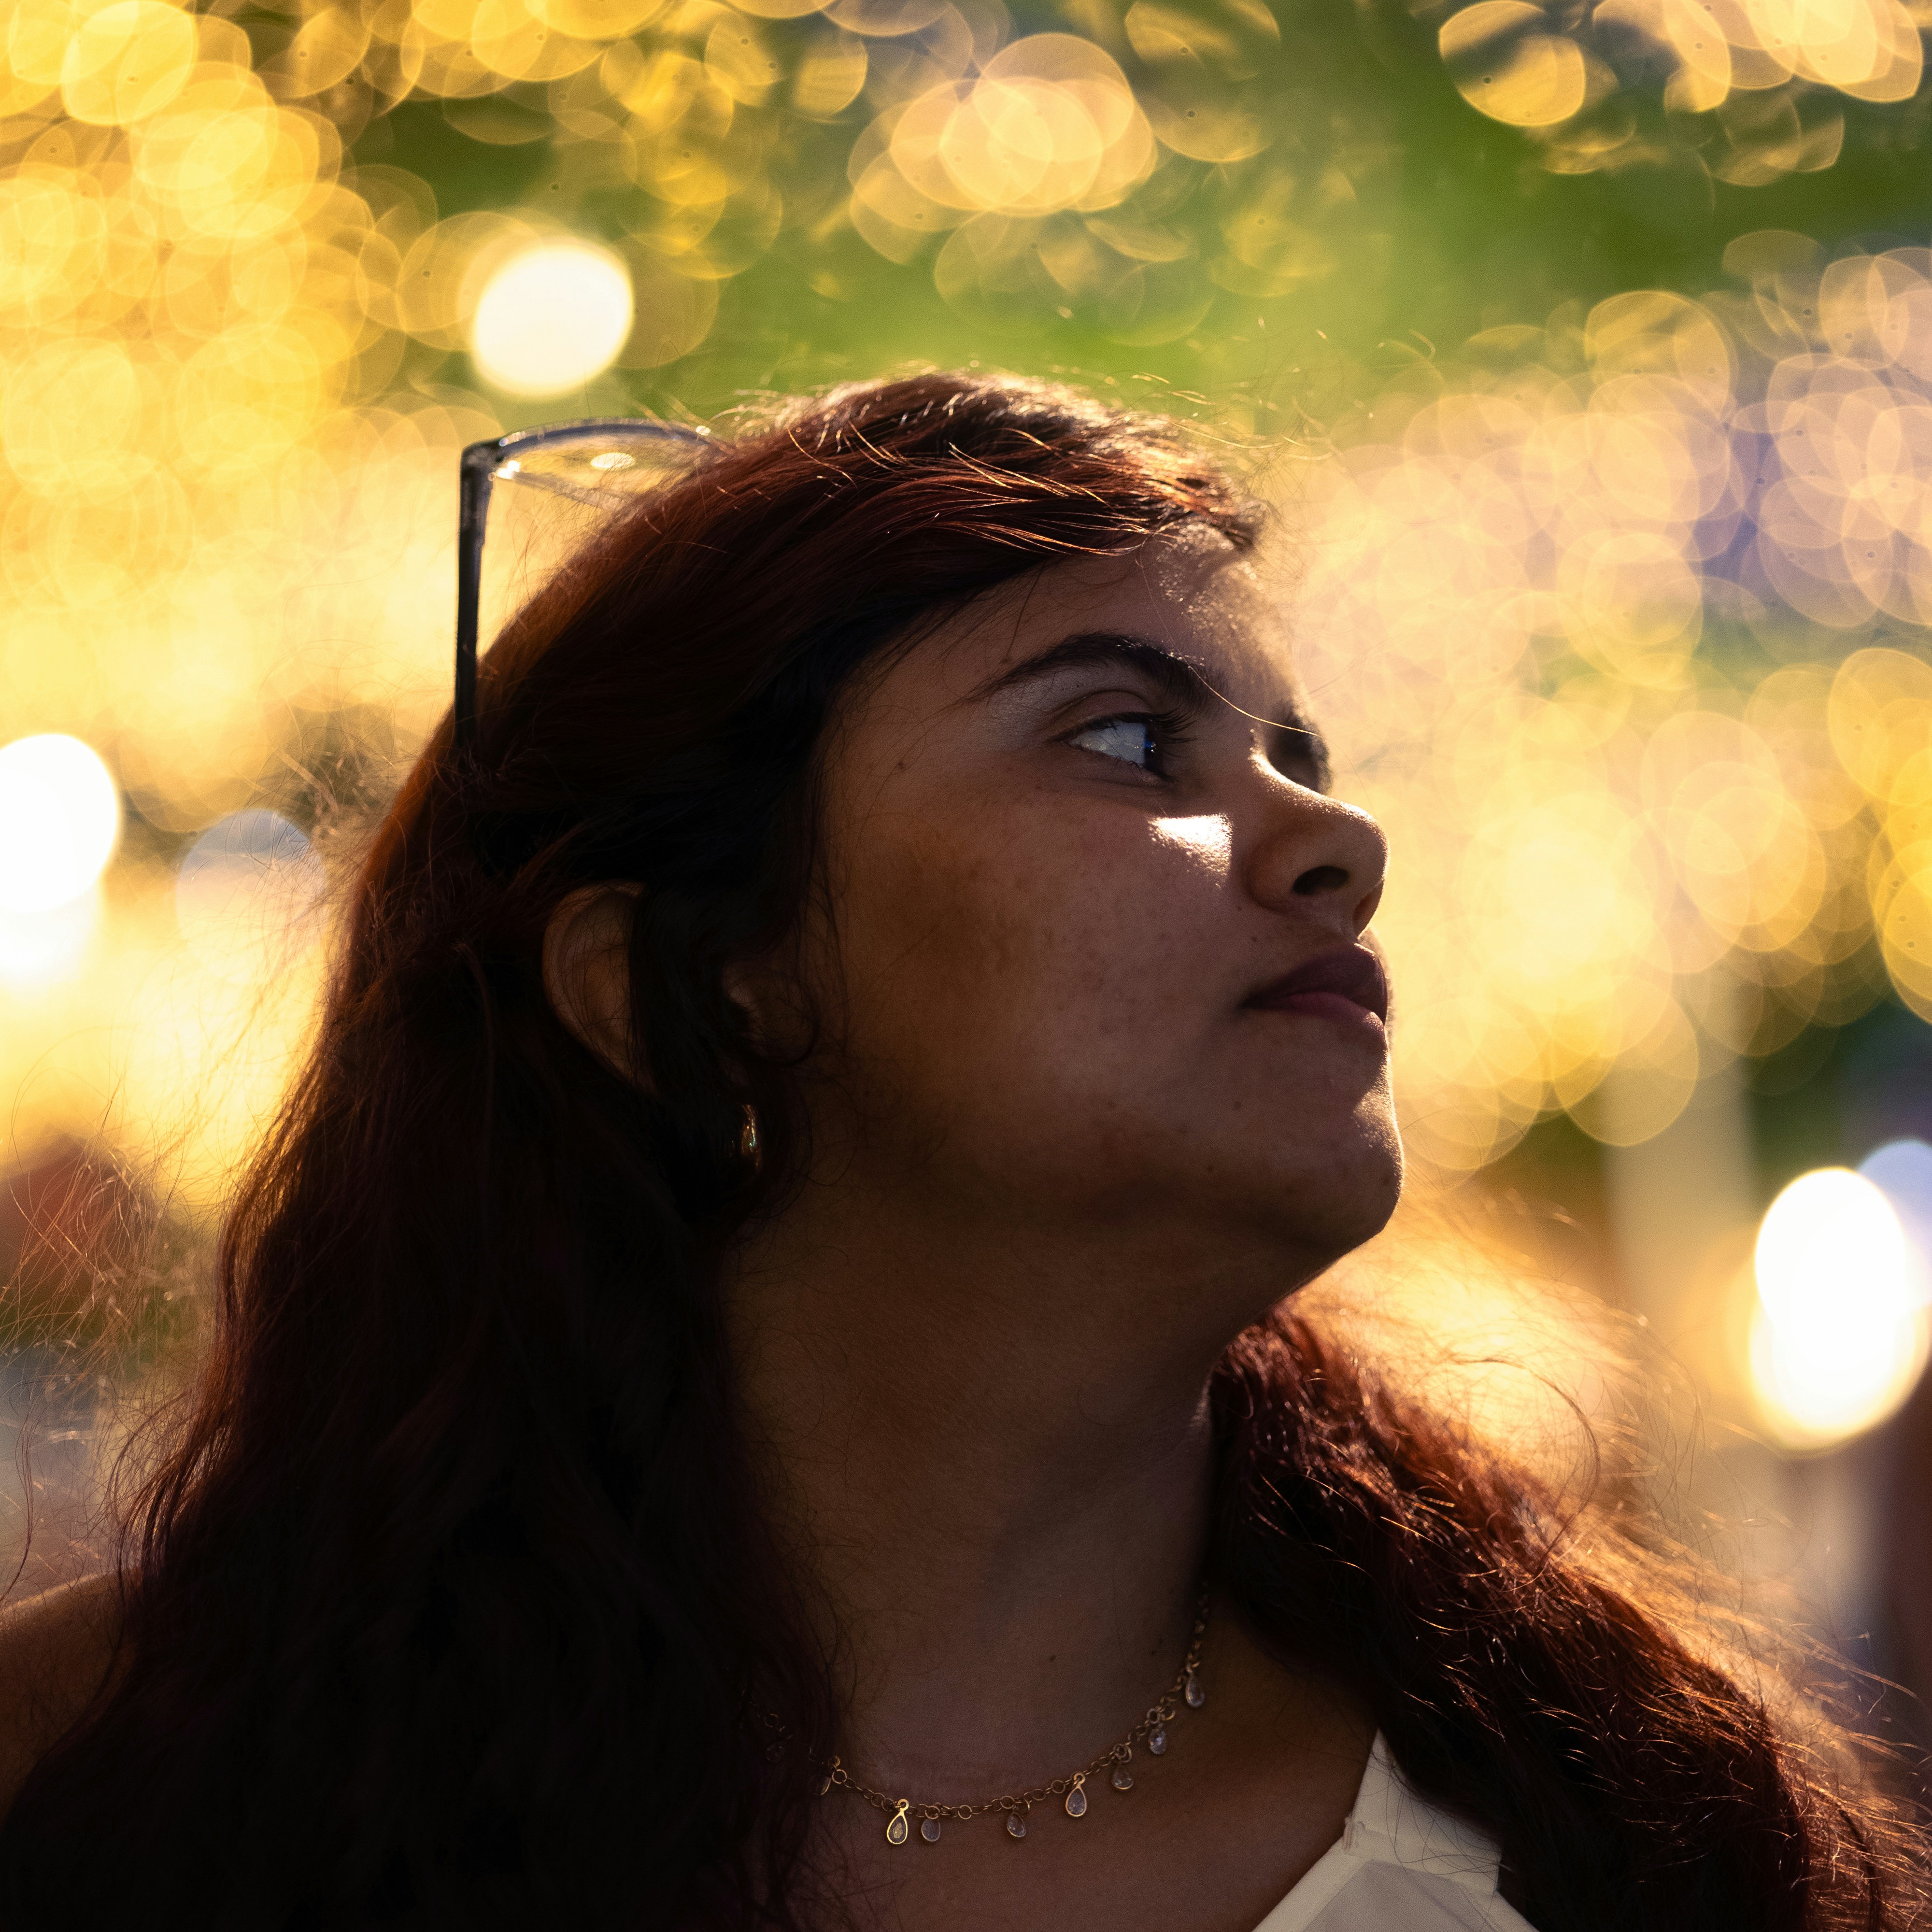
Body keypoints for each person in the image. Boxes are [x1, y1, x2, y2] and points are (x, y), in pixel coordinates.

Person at [0, 373, 1919, 1931]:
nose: (1338, 842)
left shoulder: (1622, 1838)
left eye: (1300, 762)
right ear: (689, 986)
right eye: (1123, 740)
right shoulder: (108, 1785)